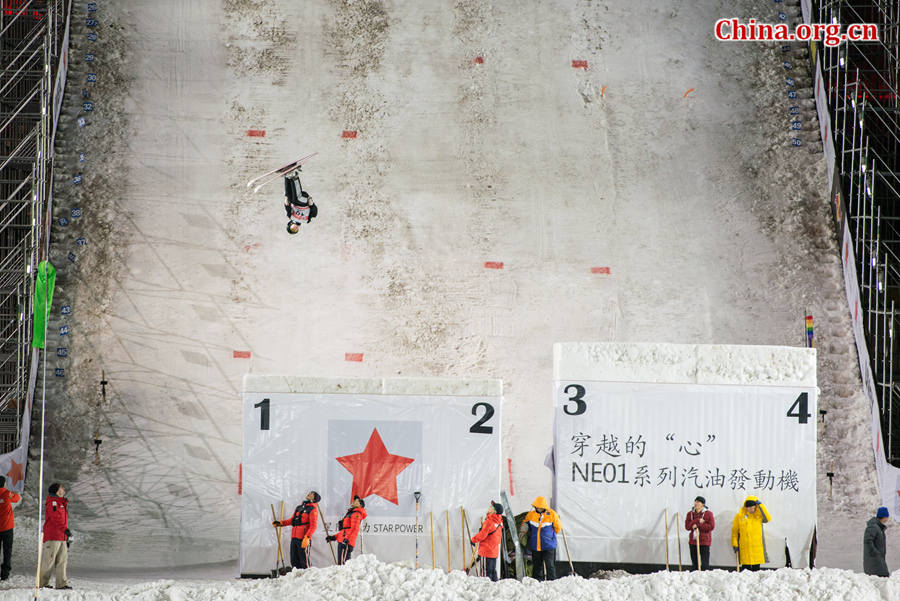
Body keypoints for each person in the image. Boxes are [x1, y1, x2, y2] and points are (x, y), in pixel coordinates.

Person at [273, 491, 320, 569]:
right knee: (294, 561)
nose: (310, 493)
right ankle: (296, 578)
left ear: (315, 498)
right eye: (310, 492)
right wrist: (280, 523)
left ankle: (307, 577)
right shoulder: (299, 507)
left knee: (304, 561)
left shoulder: (312, 510)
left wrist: (307, 537)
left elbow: (313, 526)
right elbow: (292, 521)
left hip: (303, 539)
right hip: (294, 538)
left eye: (312, 493)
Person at [519, 496, 561, 581]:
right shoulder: (531, 515)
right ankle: (537, 582)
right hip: (536, 545)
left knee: (550, 565)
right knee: (537, 566)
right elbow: (526, 523)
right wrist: (523, 530)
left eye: (540, 506)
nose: (538, 508)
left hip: (548, 546)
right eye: (537, 506)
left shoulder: (552, 514)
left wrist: (549, 537)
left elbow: (558, 527)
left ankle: (551, 582)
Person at [40, 483, 70, 589]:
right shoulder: (53, 502)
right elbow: (55, 518)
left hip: (61, 536)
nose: (63, 488)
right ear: (57, 491)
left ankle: (62, 583)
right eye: (62, 487)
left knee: (62, 560)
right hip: (53, 536)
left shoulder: (61, 503)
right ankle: (43, 583)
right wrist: (66, 530)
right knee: (49, 560)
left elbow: (62, 520)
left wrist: (66, 537)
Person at [731, 495, 771, 571]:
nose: (751, 509)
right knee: (746, 569)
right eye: (749, 507)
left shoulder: (758, 516)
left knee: (756, 569)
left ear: (755, 507)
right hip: (745, 547)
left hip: (757, 547)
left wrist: (761, 505)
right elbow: (734, 532)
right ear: (745, 507)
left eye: (753, 507)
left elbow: (768, 518)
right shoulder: (739, 517)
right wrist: (734, 544)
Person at [326, 496, 366, 565]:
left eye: (356, 500)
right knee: (341, 563)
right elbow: (344, 531)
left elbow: (354, 529)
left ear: (360, 505)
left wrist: (346, 540)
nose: (353, 501)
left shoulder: (357, 514)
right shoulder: (351, 513)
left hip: (346, 542)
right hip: (343, 541)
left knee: (343, 564)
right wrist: (334, 537)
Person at [470, 501, 504, 581]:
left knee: (485, 573)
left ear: (494, 511)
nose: (489, 508)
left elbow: (482, 534)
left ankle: (485, 590)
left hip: (486, 551)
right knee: (492, 571)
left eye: (491, 507)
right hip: (494, 552)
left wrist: (473, 540)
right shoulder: (499, 522)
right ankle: (495, 587)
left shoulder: (489, 522)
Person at [684, 495, 715, 571]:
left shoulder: (708, 514)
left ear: (703, 504)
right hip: (693, 541)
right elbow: (687, 527)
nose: (696, 503)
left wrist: (699, 525)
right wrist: (697, 520)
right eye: (695, 501)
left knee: (705, 564)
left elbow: (711, 527)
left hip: (704, 541)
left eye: (698, 502)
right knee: (694, 563)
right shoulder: (690, 514)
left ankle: (705, 578)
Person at [283, 168, 317, 235]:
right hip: (304, 202)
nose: (295, 229)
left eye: (292, 229)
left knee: (288, 196)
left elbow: (288, 208)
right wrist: (312, 204)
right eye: (296, 230)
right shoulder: (306, 220)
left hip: (295, 201)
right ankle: (295, 176)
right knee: (297, 199)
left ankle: (287, 177)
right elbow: (314, 213)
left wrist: (286, 203)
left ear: (290, 225)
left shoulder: (290, 216)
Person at [0, 476, 20, 580]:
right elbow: (17, 498)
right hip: (7, 527)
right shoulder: (7, 493)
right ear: (4, 484)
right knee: (7, 551)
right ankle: (5, 574)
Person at [863, 506, 890, 576]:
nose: (888, 518)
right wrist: (875, 553)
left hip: (878, 560)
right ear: (884, 517)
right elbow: (867, 541)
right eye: (887, 516)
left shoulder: (878, 528)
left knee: (884, 579)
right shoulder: (873, 527)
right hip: (874, 561)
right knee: (883, 579)